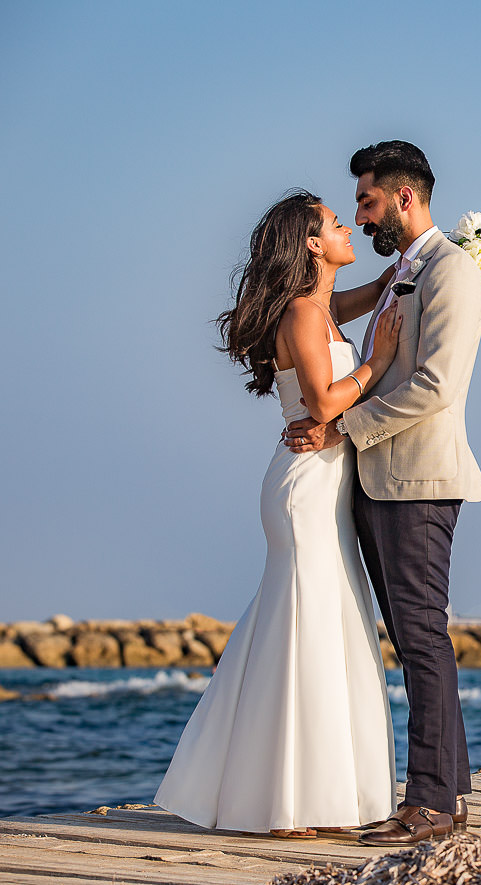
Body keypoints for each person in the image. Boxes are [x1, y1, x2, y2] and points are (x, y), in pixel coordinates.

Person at [155, 190, 403, 838]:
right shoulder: (300, 312)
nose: (347, 226)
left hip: (325, 488)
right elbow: (322, 403)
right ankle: (285, 803)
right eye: (333, 223)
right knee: (307, 631)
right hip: (305, 490)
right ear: (312, 245)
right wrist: (376, 361)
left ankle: (298, 795)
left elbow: (374, 293)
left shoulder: (320, 306)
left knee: (319, 628)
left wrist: (425, 260)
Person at [284, 140, 481, 846]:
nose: (363, 217)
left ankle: (429, 805)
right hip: (381, 480)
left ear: (406, 198)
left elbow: (436, 386)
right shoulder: (402, 272)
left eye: (368, 202)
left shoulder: (452, 271)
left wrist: (344, 428)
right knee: (413, 641)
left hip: (417, 481)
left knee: (423, 641)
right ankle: (449, 796)